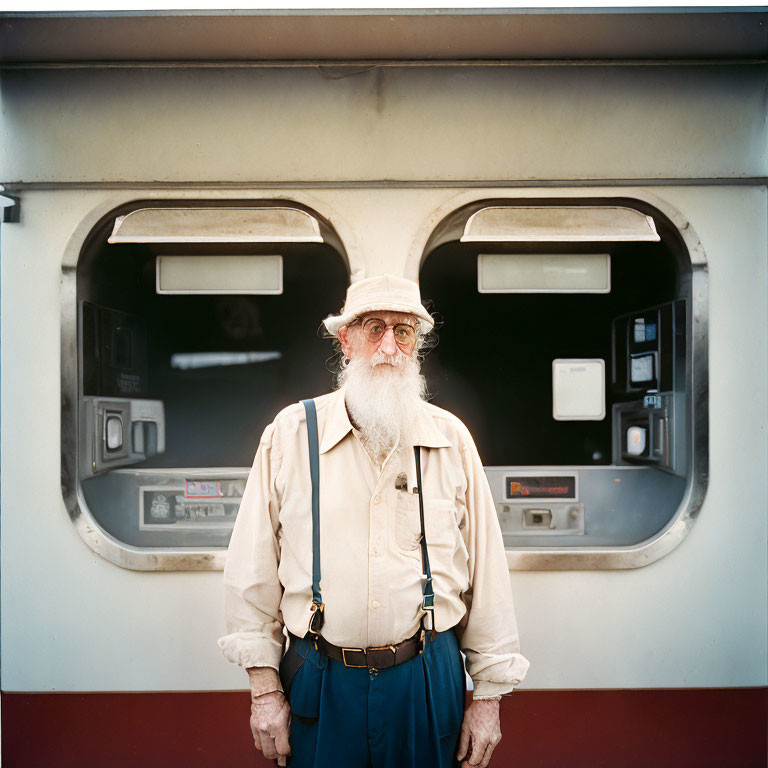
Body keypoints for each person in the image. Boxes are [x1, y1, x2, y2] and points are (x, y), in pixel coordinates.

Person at [219, 274, 529, 768]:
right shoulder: (291, 433)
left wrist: (488, 698)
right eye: (373, 327)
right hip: (320, 678)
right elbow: (251, 571)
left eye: (403, 332)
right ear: (346, 340)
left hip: (426, 678)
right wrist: (263, 689)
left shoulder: (450, 439)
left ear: (416, 345)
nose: (389, 346)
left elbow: (488, 579)